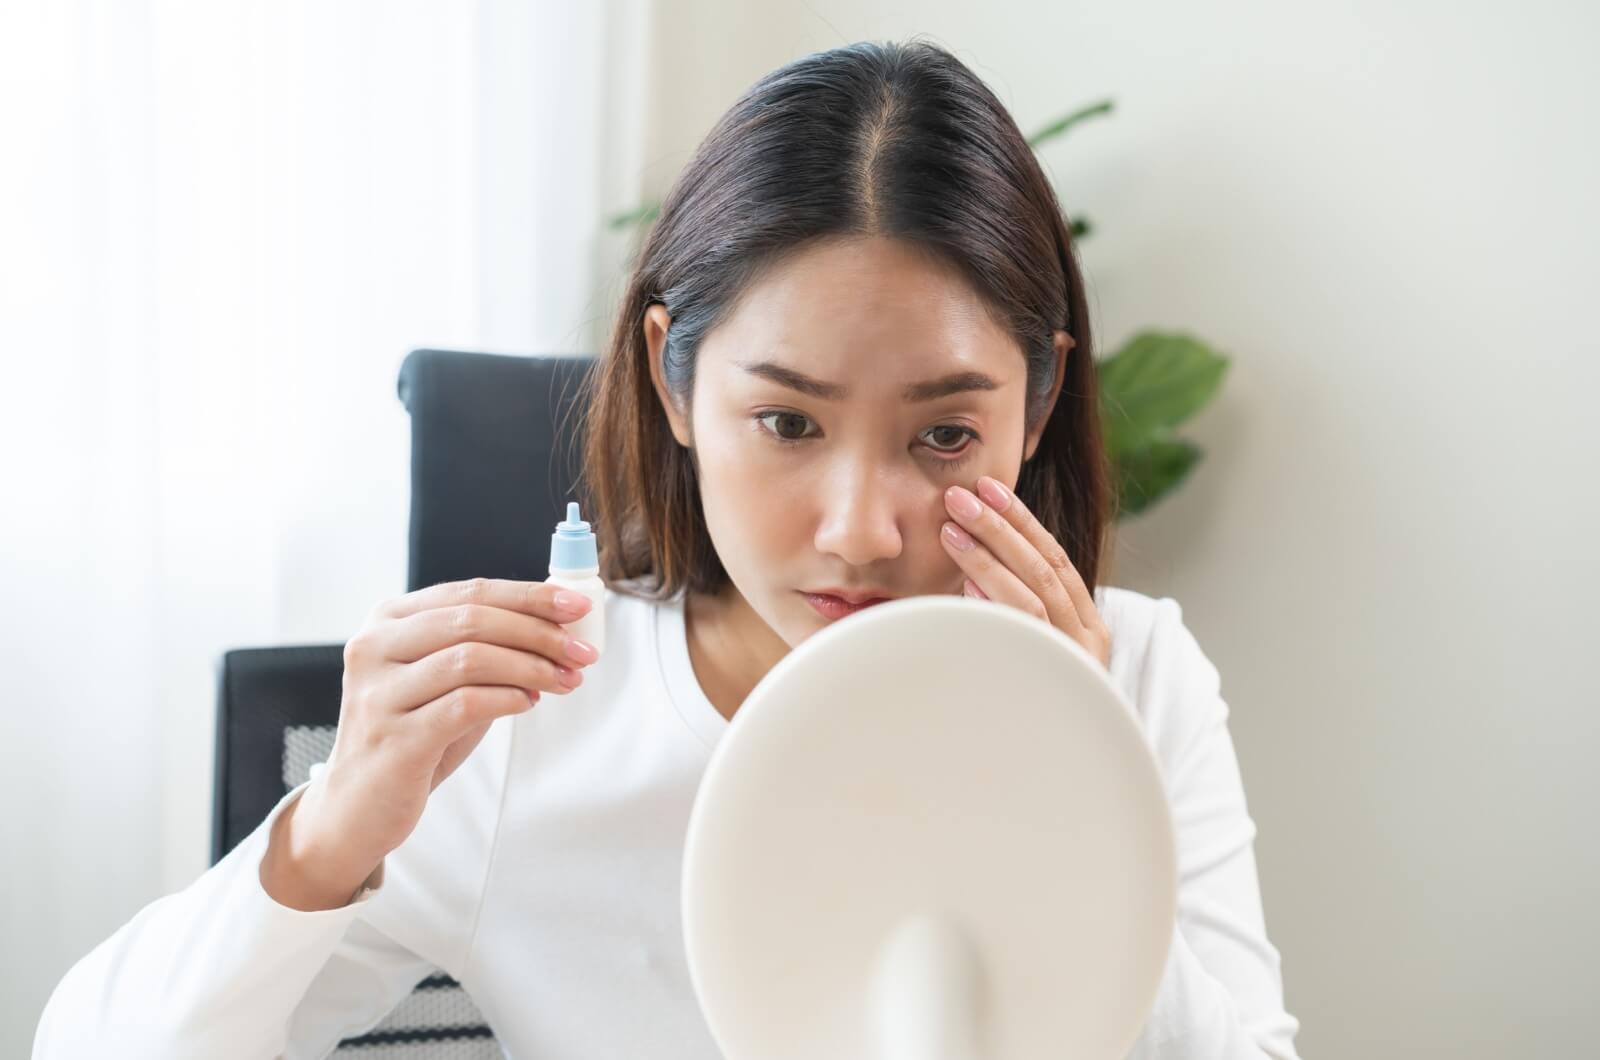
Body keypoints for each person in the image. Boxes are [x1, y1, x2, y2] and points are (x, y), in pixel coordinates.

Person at [34, 38, 1302, 1059]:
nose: (859, 527)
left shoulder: (1130, 679)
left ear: (1033, 410)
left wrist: (1067, 789)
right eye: (787, 420)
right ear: (673, 381)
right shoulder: (537, 725)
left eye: (943, 434)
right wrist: (328, 833)